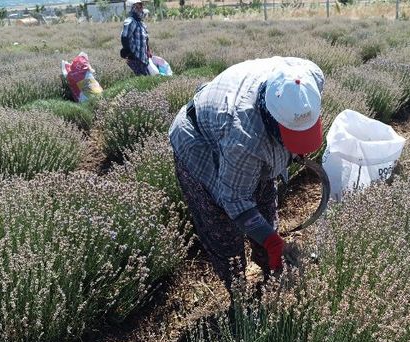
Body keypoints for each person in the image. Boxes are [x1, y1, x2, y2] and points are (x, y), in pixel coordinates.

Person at [169, 57, 325, 291]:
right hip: (199, 142)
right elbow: (235, 200)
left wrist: (295, 148)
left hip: (234, 131)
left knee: (266, 211)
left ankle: (271, 274)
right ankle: (238, 294)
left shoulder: (308, 78)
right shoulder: (244, 138)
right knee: (223, 231)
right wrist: (272, 242)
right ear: (273, 122)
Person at [121, 0, 153, 76]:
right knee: (144, 78)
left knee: (146, 78)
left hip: (143, 56)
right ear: (132, 8)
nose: (141, 9)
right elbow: (125, 37)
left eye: (141, 6)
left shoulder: (141, 23)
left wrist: (148, 50)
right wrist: (129, 52)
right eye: (138, 7)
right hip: (135, 56)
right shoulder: (130, 21)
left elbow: (146, 38)